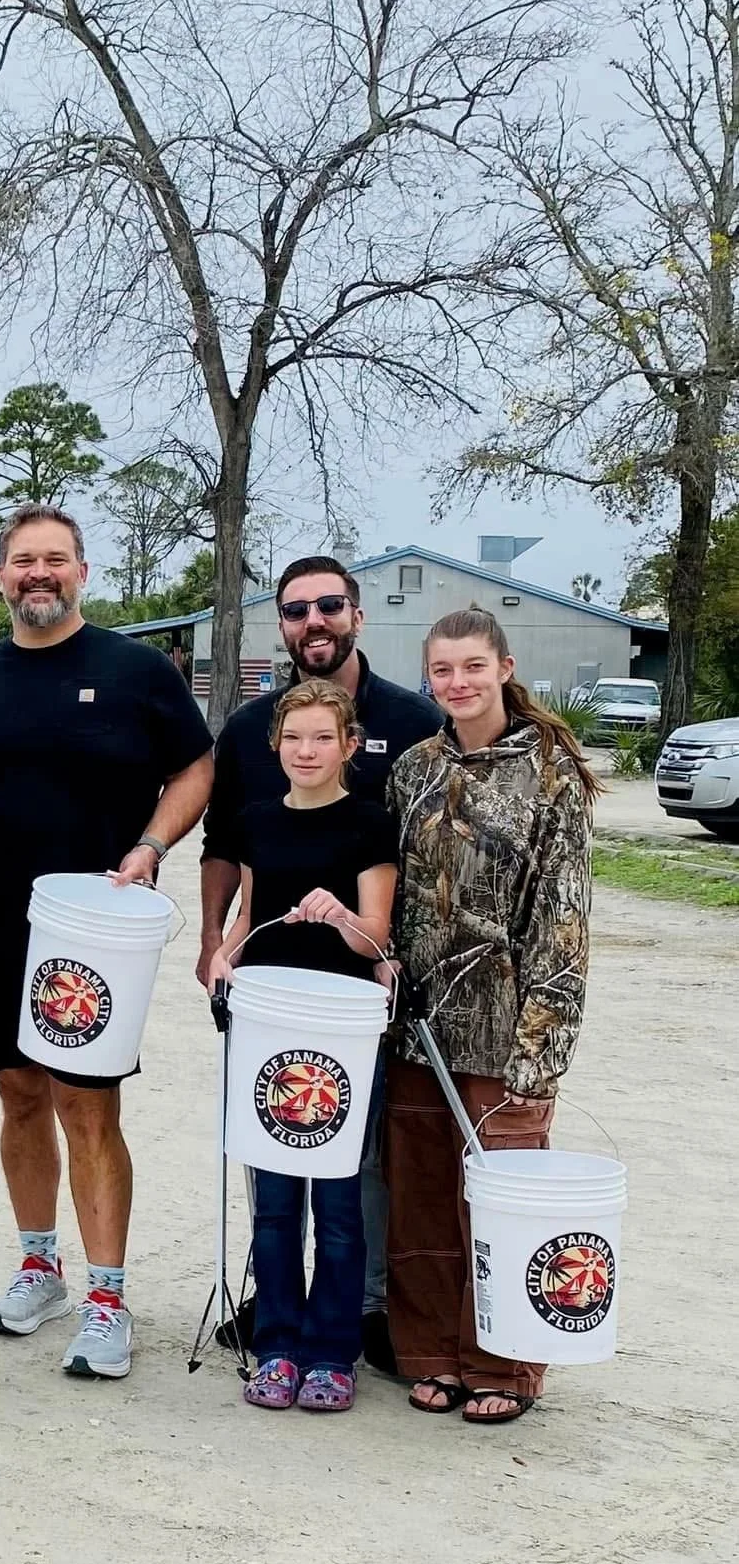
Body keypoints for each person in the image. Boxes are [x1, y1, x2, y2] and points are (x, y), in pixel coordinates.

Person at [0, 504, 213, 1380]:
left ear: (82, 570)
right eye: (21, 561)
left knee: (88, 1110)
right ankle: (40, 1266)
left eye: (54, 559)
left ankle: (107, 1297)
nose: (37, 574)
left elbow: (196, 766)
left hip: (91, 940)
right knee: (17, 1101)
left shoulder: (134, 672)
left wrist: (151, 846)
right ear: (1, 575)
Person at [197, 554, 441, 1369]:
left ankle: (357, 1319)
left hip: (352, 998)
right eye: (297, 611)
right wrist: (217, 951)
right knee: (274, 1162)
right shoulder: (253, 767)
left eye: (329, 606)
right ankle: (279, 1320)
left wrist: (373, 949)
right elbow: (235, 876)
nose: (314, 622)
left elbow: (385, 913)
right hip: (271, 999)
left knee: (353, 1166)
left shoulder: (411, 728)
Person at [385, 608, 598, 1426]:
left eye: (473, 667)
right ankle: (433, 1355)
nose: (458, 684)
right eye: (443, 671)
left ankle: (506, 1363)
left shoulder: (551, 772)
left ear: (505, 667)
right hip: (421, 1028)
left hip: (505, 1030)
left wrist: (544, 1040)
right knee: (424, 1200)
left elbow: (563, 916)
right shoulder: (413, 770)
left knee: (500, 1206)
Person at [207, 679, 398, 1414]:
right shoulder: (257, 820)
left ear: (349, 745)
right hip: (269, 1026)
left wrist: (339, 912)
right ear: (276, 746)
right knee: (277, 1203)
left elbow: (376, 935)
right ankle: (278, 1344)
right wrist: (224, 954)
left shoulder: (370, 825)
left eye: (323, 738)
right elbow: (250, 915)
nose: (307, 751)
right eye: (294, 738)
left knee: (342, 1206)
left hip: (343, 1032)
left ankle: (331, 1350)